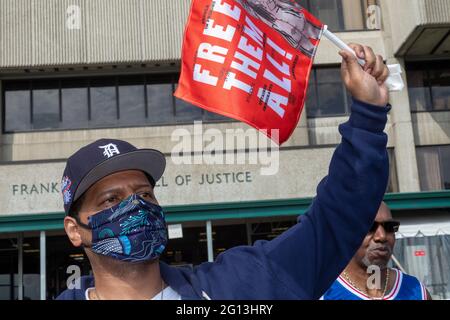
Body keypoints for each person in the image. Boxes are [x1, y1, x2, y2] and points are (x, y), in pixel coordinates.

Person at [57, 43, 391, 300]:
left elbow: (334, 224)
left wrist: (368, 116)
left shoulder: (238, 286)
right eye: (110, 199)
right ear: (75, 230)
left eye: (144, 194)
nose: (136, 207)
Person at [321, 202, 433, 300]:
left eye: (389, 227)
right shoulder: (321, 291)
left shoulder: (417, 291)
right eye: (369, 227)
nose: (382, 236)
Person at [235, 0, 322, 57]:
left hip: (288, 16)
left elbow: (283, 3)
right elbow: (244, 5)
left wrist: (294, 6)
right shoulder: (255, 11)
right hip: (282, 27)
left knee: (313, 31)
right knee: (305, 45)